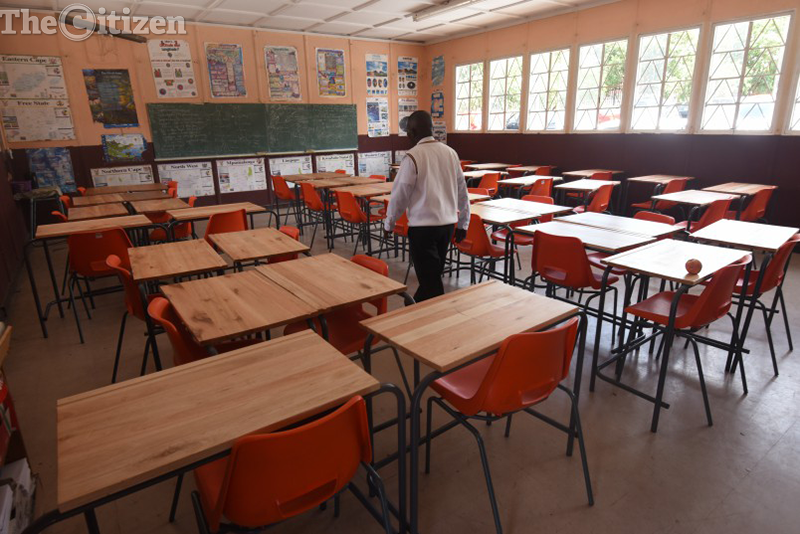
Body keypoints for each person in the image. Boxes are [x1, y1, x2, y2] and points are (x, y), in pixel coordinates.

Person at [384, 110, 470, 302]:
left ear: (412, 132)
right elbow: (462, 191)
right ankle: (417, 307)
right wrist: (463, 223)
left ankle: (418, 308)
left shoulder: (413, 157)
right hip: (446, 227)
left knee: (430, 281)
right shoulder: (451, 153)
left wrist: (389, 224)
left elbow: (400, 196)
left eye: (408, 132)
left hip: (423, 230)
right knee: (432, 277)